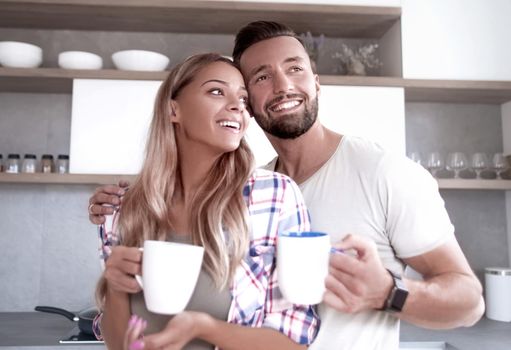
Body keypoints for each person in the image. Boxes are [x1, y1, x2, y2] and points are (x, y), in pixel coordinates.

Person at [89, 22, 485, 350]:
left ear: (316, 80)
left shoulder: (383, 172)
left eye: (295, 68)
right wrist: (126, 212)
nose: (282, 85)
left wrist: (388, 293)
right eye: (261, 77)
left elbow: (469, 303)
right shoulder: (255, 189)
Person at [92, 53, 319, 350]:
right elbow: (118, 343)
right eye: (216, 91)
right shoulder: (121, 209)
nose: (238, 106)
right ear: (174, 110)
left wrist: (206, 329)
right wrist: (117, 287)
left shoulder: (274, 197)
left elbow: (296, 339)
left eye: (243, 99)